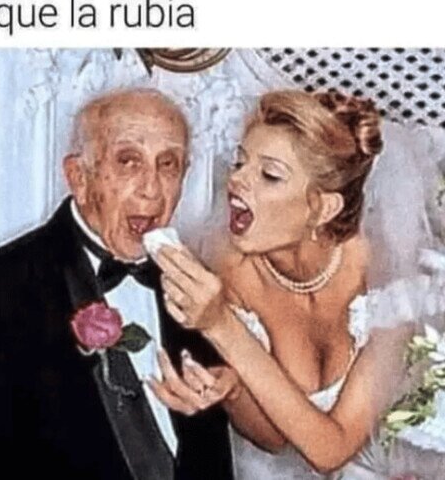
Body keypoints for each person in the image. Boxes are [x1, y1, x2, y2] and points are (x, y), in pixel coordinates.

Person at [150, 90, 415, 478]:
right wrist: (234, 391)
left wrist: (221, 325)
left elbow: (331, 450)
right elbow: (275, 439)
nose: (236, 180)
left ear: (323, 208)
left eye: (270, 175)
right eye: (240, 162)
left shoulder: (385, 276)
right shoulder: (223, 267)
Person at [0, 89, 234, 480]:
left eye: (168, 165)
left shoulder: (200, 287)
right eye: (128, 161)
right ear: (79, 178)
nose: (151, 188)